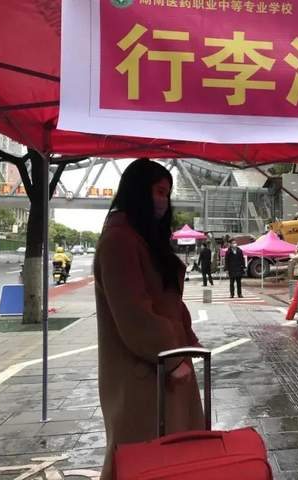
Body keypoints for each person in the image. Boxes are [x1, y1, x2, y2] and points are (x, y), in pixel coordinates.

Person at [93, 158, 204, 480]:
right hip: (144, 373)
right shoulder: (119, 240)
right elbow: (133, 312)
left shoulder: (142, 237)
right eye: (158, 191)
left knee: (173, 458)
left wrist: (187, 342)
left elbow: (169, 301)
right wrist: (174, 358)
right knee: (142, 459)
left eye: (167, 193)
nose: (163, 201)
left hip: (166, 366)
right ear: (138, 191)